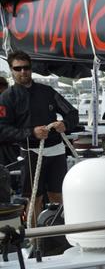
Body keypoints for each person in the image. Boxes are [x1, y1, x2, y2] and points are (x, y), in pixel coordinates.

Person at [0, 51, 79, 219]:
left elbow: (72, 113)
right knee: (34, 198)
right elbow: (2, 130)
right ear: (11, 70)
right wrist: (31, 133)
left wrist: (65, 124)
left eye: (26, 68)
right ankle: (37, 242)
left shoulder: (47, 92)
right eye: (18, 68)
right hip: (30, 153)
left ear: (31, 69)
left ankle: (61, 237)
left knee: (58, 196)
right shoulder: (7, 98)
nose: (23, 72)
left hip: (56, 151)